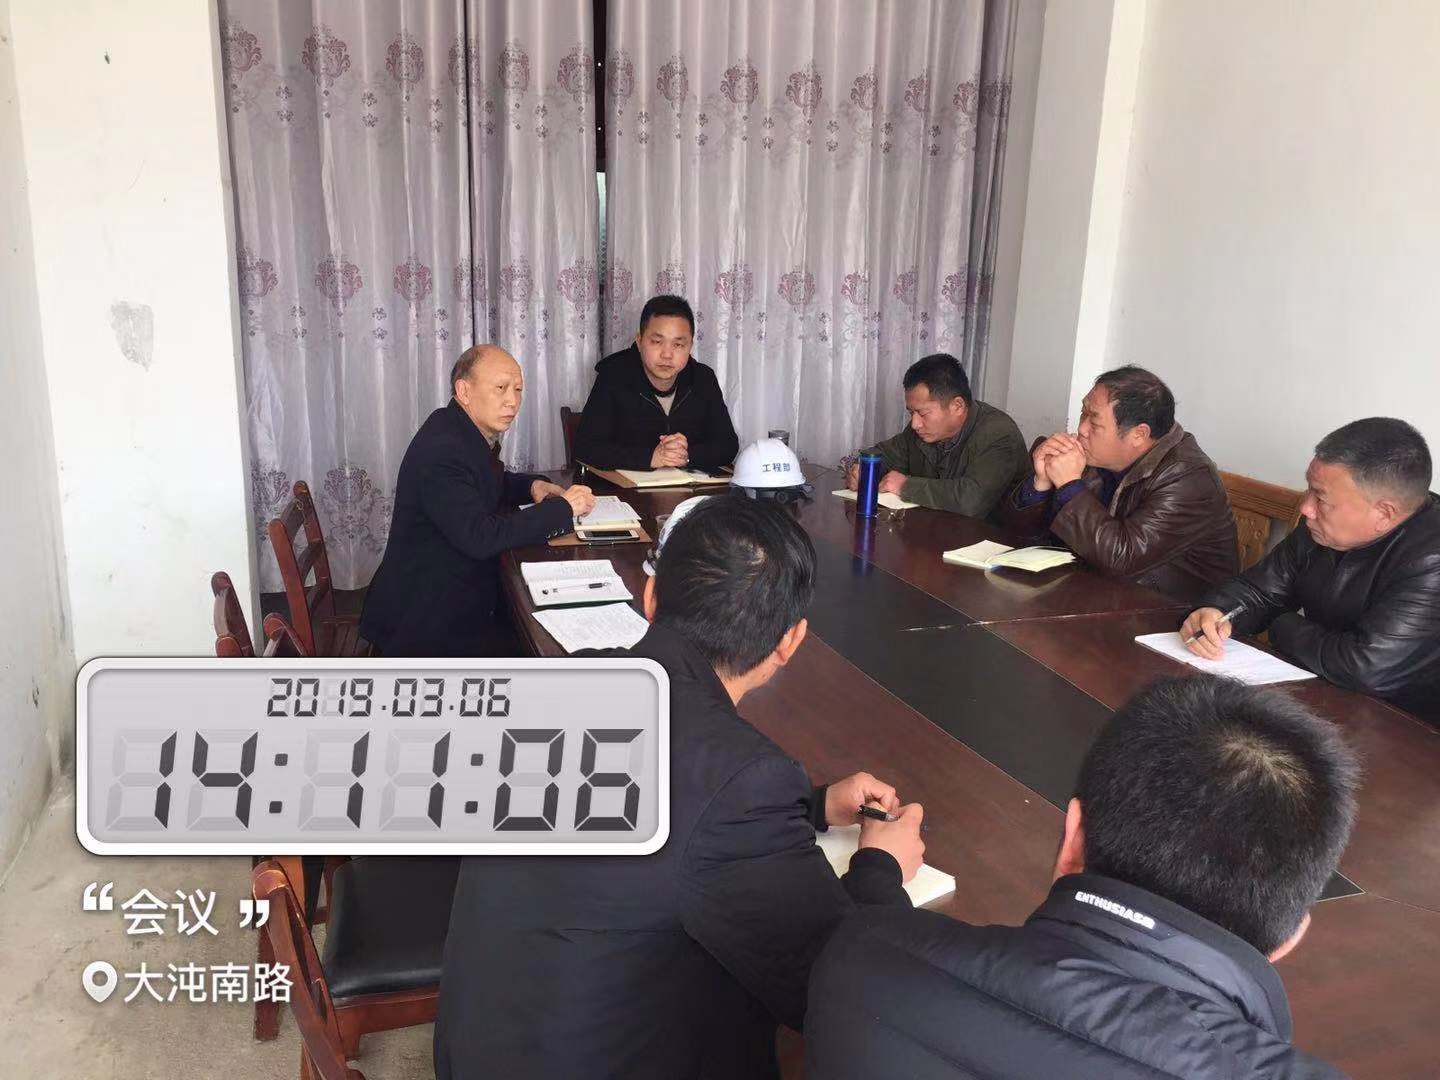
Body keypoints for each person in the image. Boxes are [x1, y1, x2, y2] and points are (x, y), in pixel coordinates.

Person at [434, 497, 924, 1080]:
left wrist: (813, 805)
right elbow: (836, 995)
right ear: (791, 641)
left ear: (649, 598)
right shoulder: (740, 778)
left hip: (480, 1047)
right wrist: (879, 867)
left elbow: (670, 814)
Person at [805, 675, 1358, 1079]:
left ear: (1072, 838)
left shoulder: (861, 960)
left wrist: (875, 871)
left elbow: (877, 940)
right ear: (1291, 935)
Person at [1184, 417, 1440, 724]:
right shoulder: (1320, 528)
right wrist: (1216, 612)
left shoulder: (1431, 558)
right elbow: (1258, 591)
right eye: (1309, 489)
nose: (1306, 507)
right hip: (1323, 694)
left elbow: (1365, 667)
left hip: (1404, 728)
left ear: (1384, 513)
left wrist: (1282, 625)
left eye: (1320, 497)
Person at [359, 345, 594, 656]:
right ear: (464, 391)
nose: (513, 401)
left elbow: (481, 482)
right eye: (501, 388)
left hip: (448, 589)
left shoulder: (456, 426)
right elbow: (480, 537)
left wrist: (532, 486)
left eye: (518, 389)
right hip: (426, 620)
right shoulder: (443, 450)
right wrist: (562, 509)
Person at [1001, 365, 1237, 601]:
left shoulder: (1188, 478)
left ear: (1138, 435)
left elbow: (1121, 559)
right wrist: (1040, 483)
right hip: (1093, 593)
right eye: (1083, 413)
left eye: (1094, 423)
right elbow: (1021, 538)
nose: (1081, 429)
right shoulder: (1095, 458)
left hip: (1168, 611)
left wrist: (1070, 486)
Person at [845, 352, 1028, 518]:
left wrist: (905, 486)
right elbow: (884, 454)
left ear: (957, 406)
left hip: (991, 539)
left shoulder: (999, 434)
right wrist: (861, 470)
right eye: (911, 413)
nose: (915, 424)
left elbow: (972, 500)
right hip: (937, 529)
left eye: (922, 413)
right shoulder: (922, 429)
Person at [573, 294, 740, 471]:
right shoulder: (613, 376)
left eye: (678, 345)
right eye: (657, 342)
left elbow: (728, 444)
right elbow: (585, 447)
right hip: (626, 487)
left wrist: (687, 455)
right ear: (639, 341)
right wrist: (650, 458)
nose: (667, 355)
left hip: (687, 486)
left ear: (690, 346)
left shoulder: (703, 378)